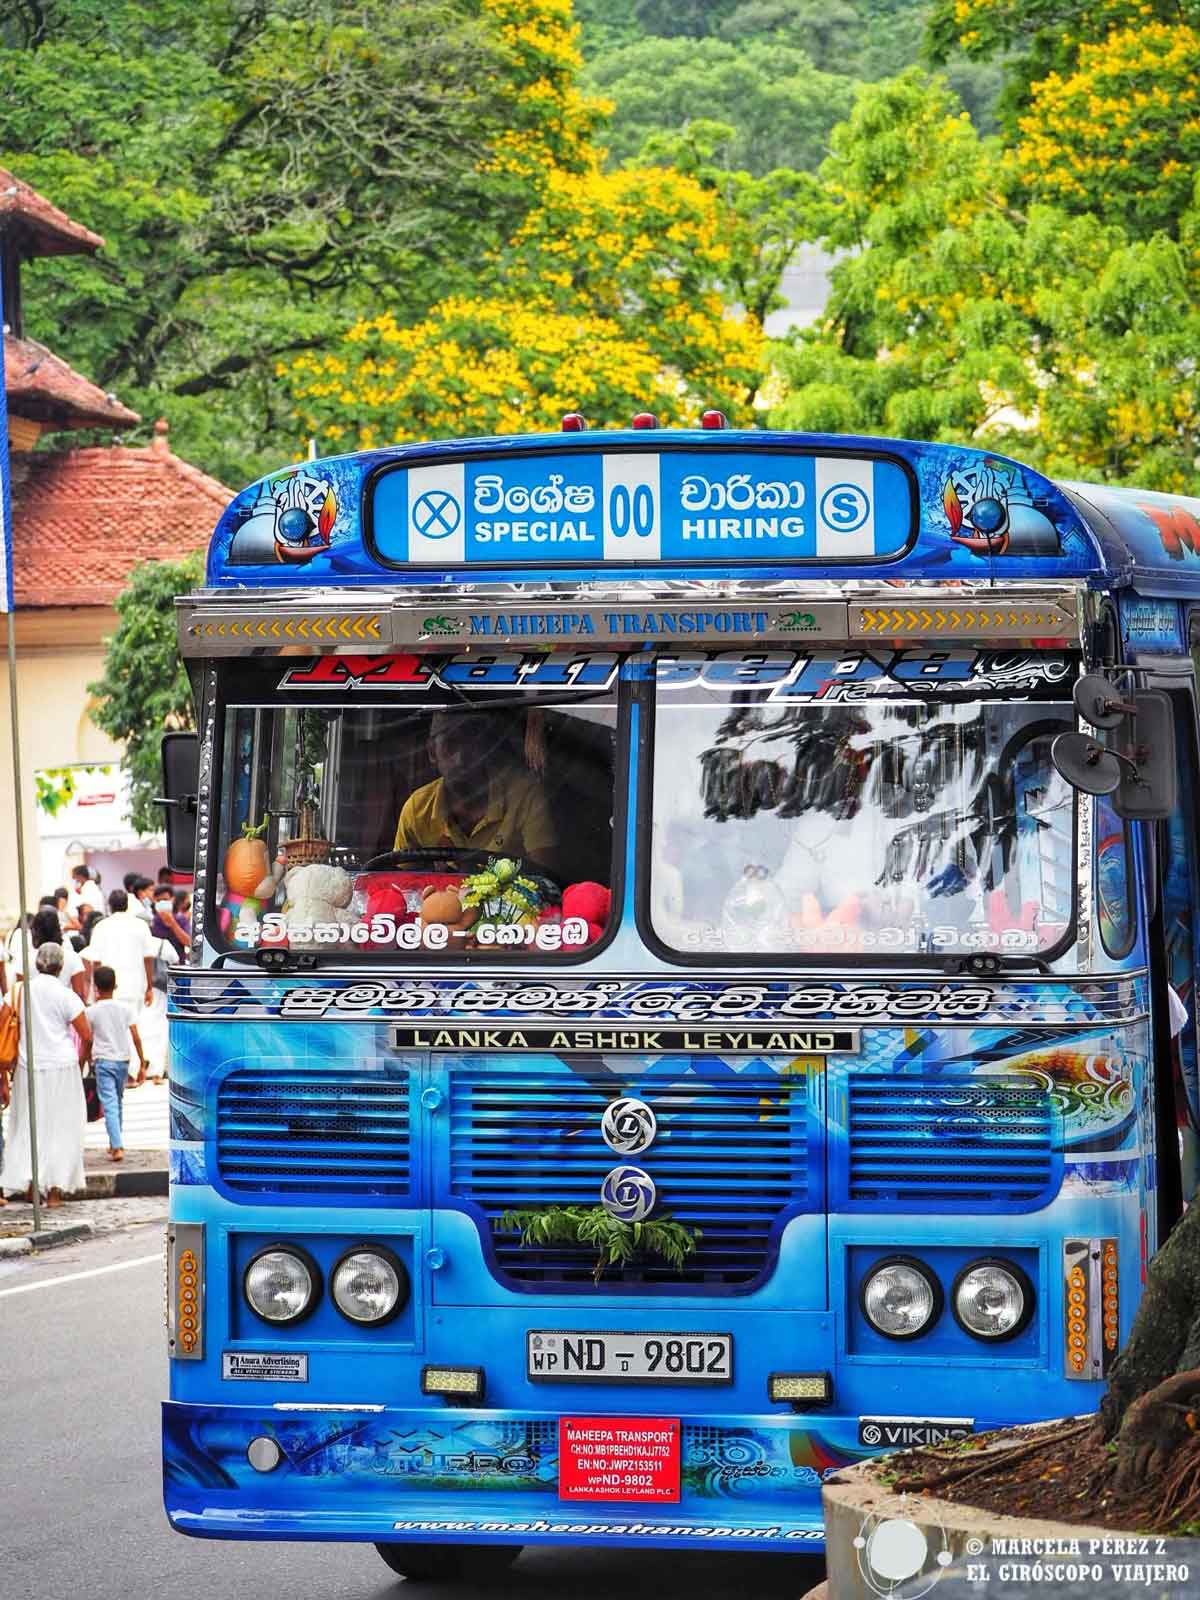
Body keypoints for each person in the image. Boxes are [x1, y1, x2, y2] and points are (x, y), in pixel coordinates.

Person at [393, 711, 560, 876]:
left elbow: (544, 881)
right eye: (450, 745)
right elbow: (399, 884)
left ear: (485, 747)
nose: (460, 758)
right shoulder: (417, 809)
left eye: (470, 743)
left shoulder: (524, 795)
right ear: (432, 752)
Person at [1, 943, 91, 1207]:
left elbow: (2, 1024)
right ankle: (54, 1192)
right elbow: (86, 1035)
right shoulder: (66, 996)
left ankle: (31, 1186)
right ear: (60, 966)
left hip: (28, 1067)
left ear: (37, 964)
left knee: (28, 1126)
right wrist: (81, 1061)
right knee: (61, 1127)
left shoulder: (18, 992)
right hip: (63, 1067)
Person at [85, 964, 146, 1161]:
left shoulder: (92, 1012)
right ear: (115, 985)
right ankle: (115, 1142)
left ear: (96, 987)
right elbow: (136, 1037)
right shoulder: (125, 1009)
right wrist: (142, 1063)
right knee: (117, 1102)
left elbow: (88, 1039)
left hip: (103, 1061)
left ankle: (117, 1145)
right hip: (123, 1061)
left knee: (110, 1103)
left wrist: (84, 1060)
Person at [81, 889, 155, 1013]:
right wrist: (149, 988)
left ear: (110, 906)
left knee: (110, 1029)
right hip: (135, 986)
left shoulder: (101, 926)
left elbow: (96, 962)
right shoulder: (141, 926)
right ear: (127, 905)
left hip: (108, 988)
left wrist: (96, 989)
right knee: (132, 1026)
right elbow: (147, 959)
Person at [10, 907, 87, 1001]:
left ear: (34, 931)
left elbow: (20, 994)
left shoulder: (24, 959)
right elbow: (79, 995)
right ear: (58, 929)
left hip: (32, 1013)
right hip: (64, 1011)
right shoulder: (73, 957)